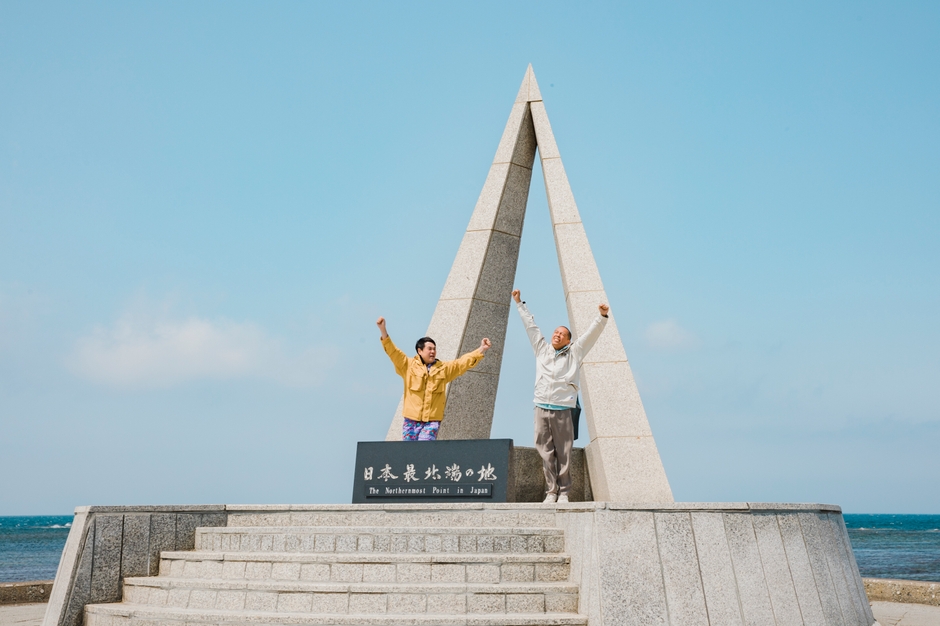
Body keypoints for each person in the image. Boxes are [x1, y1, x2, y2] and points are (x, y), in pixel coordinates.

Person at [512, 289, 609, 503]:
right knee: (545, 451)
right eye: (555, 332)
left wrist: (601, 318)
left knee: (564, 452)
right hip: (541, 407)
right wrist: (520, 304)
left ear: (568, 340)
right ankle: (551, 491)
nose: (556, 335)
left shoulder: (575, 352)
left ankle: (564, 492)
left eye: (561, 334)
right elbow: (531, 327)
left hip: (563, 408)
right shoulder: (542, 349)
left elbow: (589, 336)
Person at [377, 316, 492, 441]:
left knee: (424, 449)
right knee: (409, 453)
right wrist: (383, 330)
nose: (433, 351)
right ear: (419, 351)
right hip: (411, 420)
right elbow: (393, 352)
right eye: (429, 349)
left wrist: (481, 349)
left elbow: (462, 363)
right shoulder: (407, 365)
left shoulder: (444, 369)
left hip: (431, 422)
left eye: (434, 349)